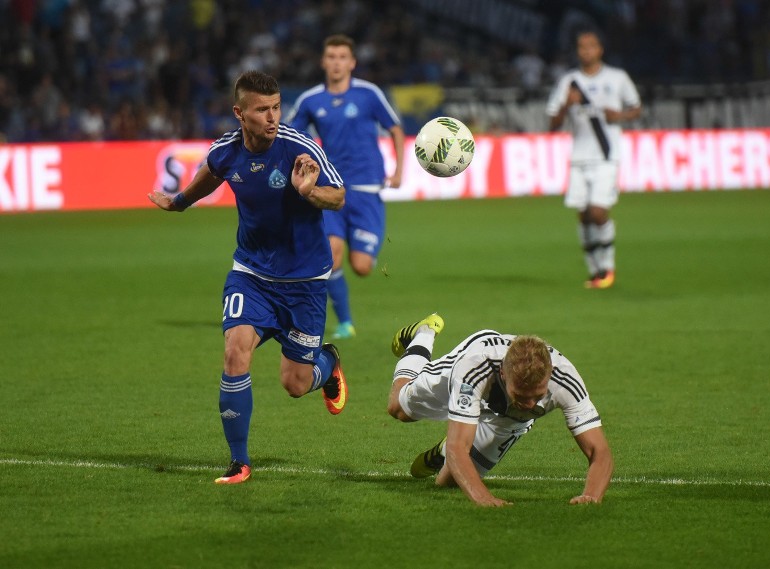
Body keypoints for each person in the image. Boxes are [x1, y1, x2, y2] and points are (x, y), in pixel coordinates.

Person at [148, 70, 348, 485]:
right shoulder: (227, 149)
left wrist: (309, 191)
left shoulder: (299, 149)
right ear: (240, 113)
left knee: (294, 384)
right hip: (252, 275)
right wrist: (181, 202)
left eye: (276, 107)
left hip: (305, 282)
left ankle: (327, 366)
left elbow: (339, 195)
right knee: (235, 353)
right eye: (262, 110)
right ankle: (239, 462)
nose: (272, 117)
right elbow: (211, 172)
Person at [386, 314, 613, 507]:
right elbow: (459, 448)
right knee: (398, 409)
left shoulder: (565, 381)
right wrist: (484, 498)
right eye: (522, 395)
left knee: (447, 483)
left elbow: (599, 451)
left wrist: (591, 496)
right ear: (504, 375)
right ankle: (424, 333)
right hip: (468, 370)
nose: (531, 404)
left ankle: (449, 443)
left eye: (538, 395)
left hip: (511, 420)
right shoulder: (473, 369)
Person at [286, 34, 405, 340]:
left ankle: (362, 261)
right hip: (331, 190)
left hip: (366, 191)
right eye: (331, 56)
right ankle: (345, 323)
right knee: (332, 255)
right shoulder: (311, 100)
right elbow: (288, 136)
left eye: (342, 57)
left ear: (352, 62)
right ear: (323, 62)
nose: (337, 62)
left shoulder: (368, 94)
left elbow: (395, 127)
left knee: (362, 266)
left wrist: (398, 170)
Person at [546, 29, 642, 289]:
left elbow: (636, 107)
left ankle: (607, 267)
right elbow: (552, 123)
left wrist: (618, 116)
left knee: (599, 212)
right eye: (581, 46)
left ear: (600, 49)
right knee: (584, 215)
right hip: (579, 157)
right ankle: (594, 270)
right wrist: (567, 105)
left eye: (590, 46)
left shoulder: (617, 77)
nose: (585, 51)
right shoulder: (569, 82)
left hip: (606, 155)